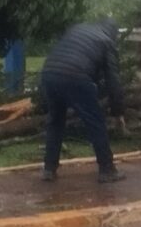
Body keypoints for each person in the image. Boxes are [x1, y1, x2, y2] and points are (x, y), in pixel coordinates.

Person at [39, 17, 126, 183]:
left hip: (49, 73)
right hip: (75, 76)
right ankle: (107, 169)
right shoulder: (107, 41)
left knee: (55, 121)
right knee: (95, 121)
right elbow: (113, 81)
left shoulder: (77, 29)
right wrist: (118, 112)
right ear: (113, 33)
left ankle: (49, 169)